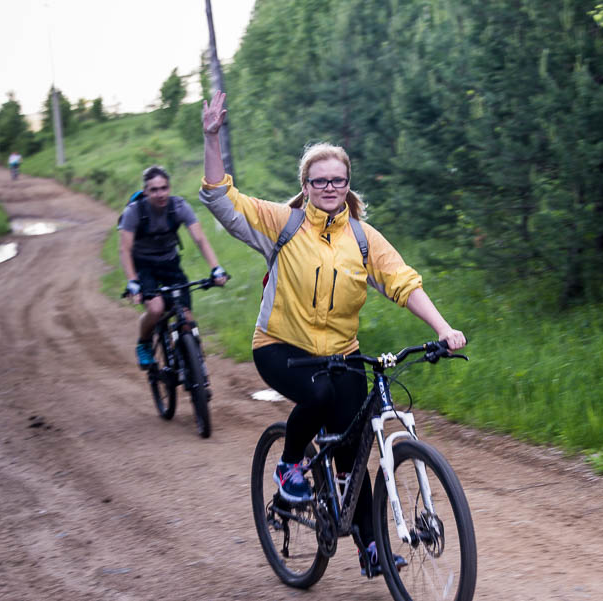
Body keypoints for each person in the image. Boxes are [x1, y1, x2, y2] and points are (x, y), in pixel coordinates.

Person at [199, 90, 466, 576]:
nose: (329, 187)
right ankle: (289, 467)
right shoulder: (283, 224)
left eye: (337, 180)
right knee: (319, 397)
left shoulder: (363, 238)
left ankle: (370, 545)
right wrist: (211, 137)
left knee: (351, 450)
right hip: (281, 348)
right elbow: (221, 198)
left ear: (347, 184)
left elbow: (403, 282)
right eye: (320, 180)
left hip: (342, 354)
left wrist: (445, 328)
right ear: (306, 183)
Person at [119, 165, 228, 368]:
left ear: (169, 188)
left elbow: (200, 239)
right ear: (146, 191)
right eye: (154, 190)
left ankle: (193, 363)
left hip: (169, 263)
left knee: (186, 317)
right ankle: (144, 344)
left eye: (164, 188)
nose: (160, 194)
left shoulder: (178, 207)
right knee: (156, 308)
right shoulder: (134, 212)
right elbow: (124, 250)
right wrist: (132, 282)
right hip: (143, 265)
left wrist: (216, 268)